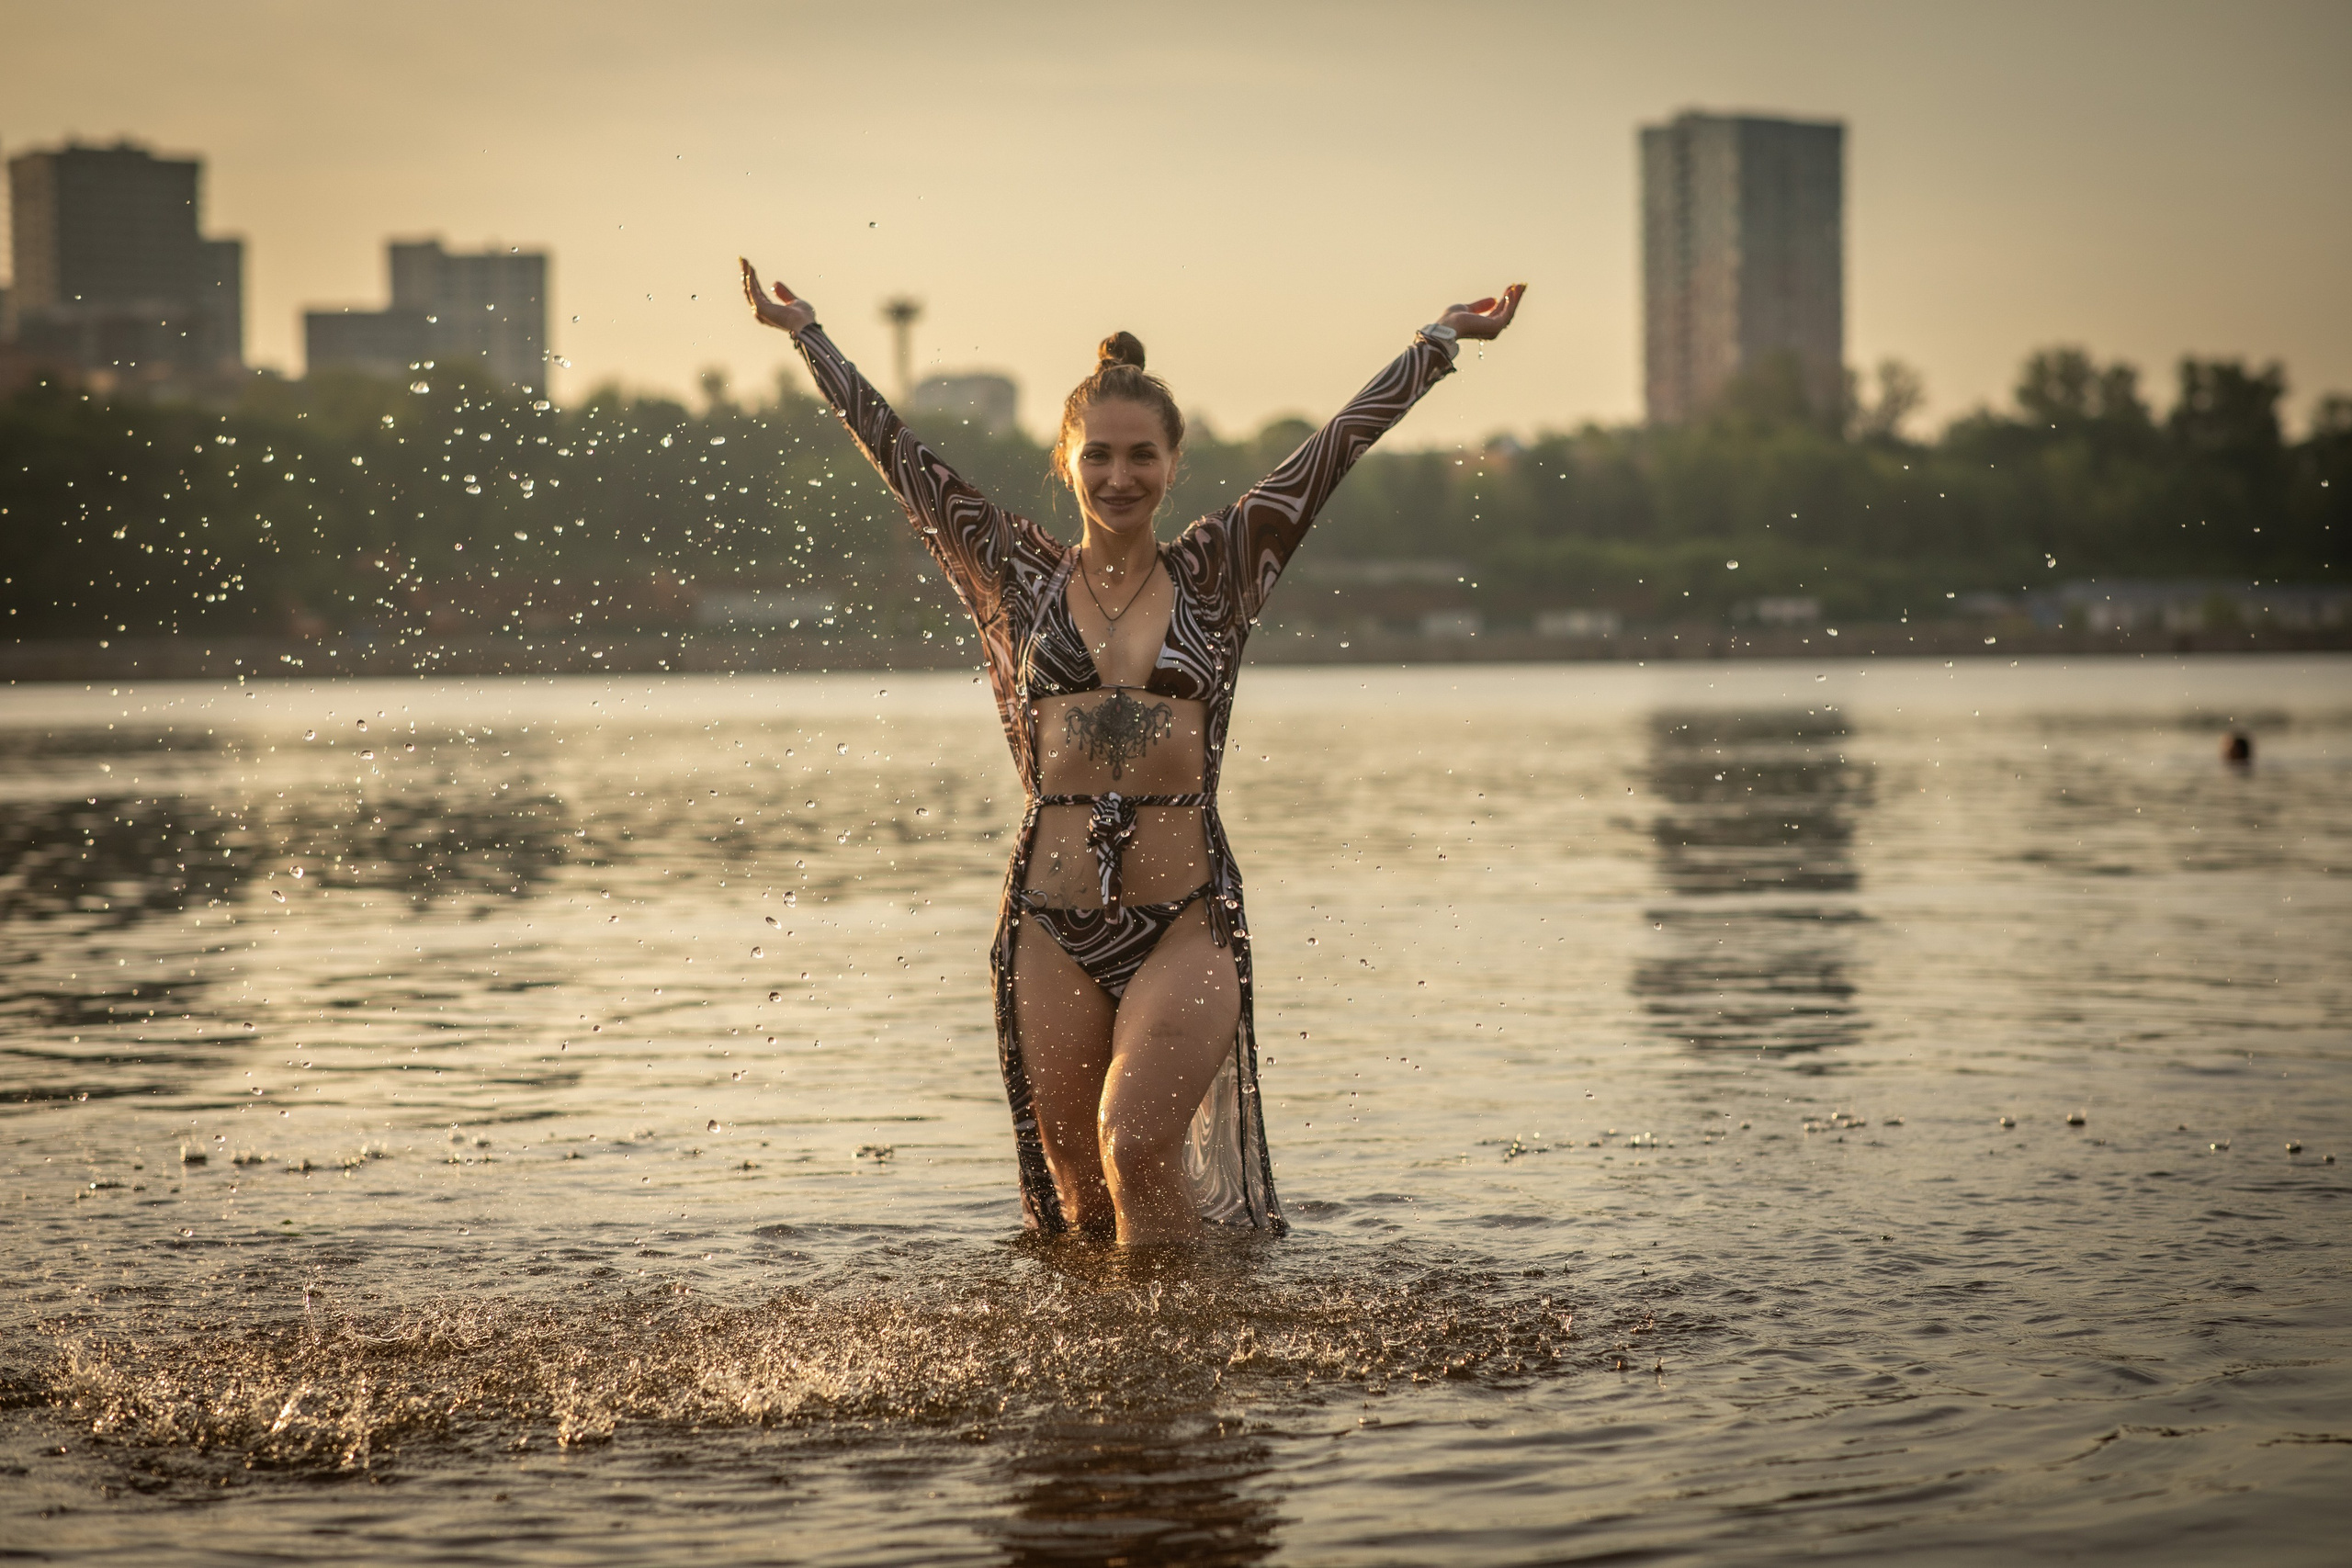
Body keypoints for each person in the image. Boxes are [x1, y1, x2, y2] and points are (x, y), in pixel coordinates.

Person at [741, 258, 1523, 1244]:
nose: (1120, 478)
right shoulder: (1010, 569)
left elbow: (1333, 451)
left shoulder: (1222, 565)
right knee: (1081, 1200)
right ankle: (1109, 1388)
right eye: (1099, 456)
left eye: (1141, 457)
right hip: (1046, 922)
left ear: (1172, 462)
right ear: (1065, 457)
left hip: (1184, 916)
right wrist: (807, 335)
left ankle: (1181, 1374)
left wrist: (1437, 345)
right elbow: (899, 457)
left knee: (1133, 1144)